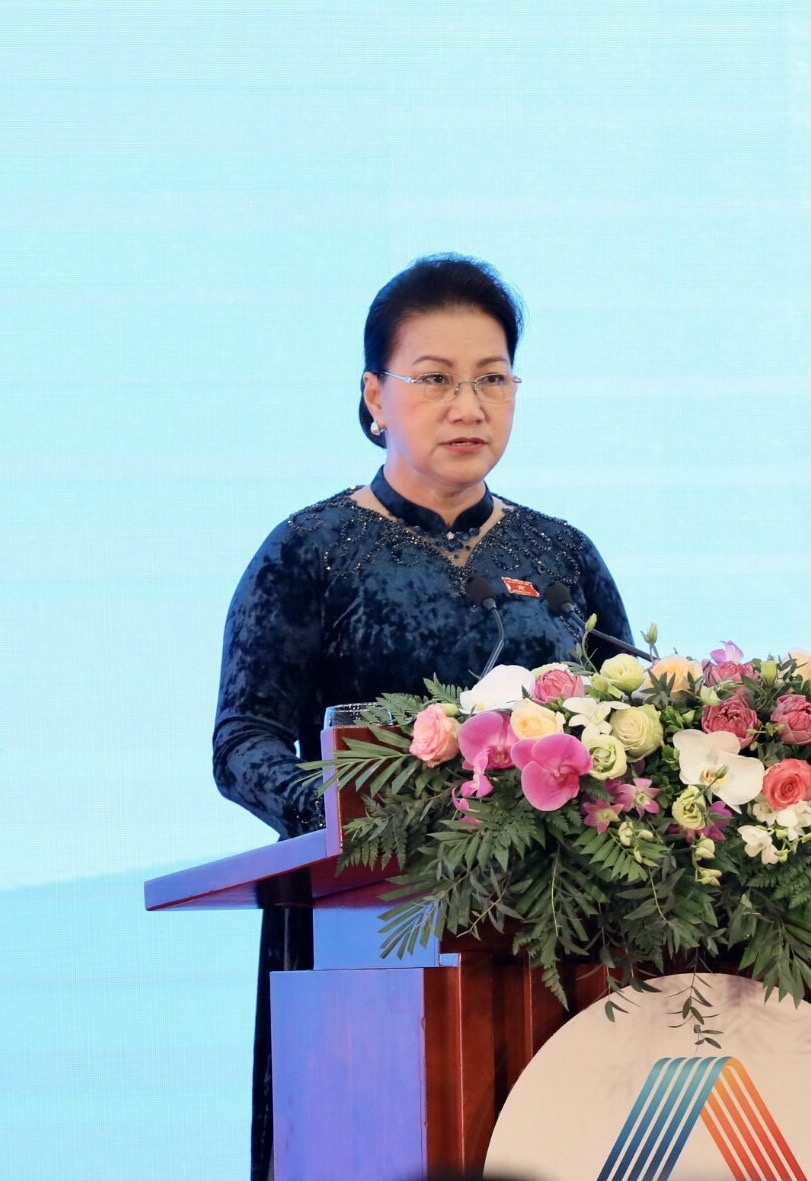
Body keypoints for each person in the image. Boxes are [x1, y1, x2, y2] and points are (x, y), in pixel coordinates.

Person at [212, 254, 631, 1180]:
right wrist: (358, 816)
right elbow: (242, 742)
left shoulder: (562, 554)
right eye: (435, 379)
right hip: (366, 934)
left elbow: (627, 723)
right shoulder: (310, 551)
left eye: (492, 379)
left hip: (560, 927)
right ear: (376, 396)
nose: (468, 406)